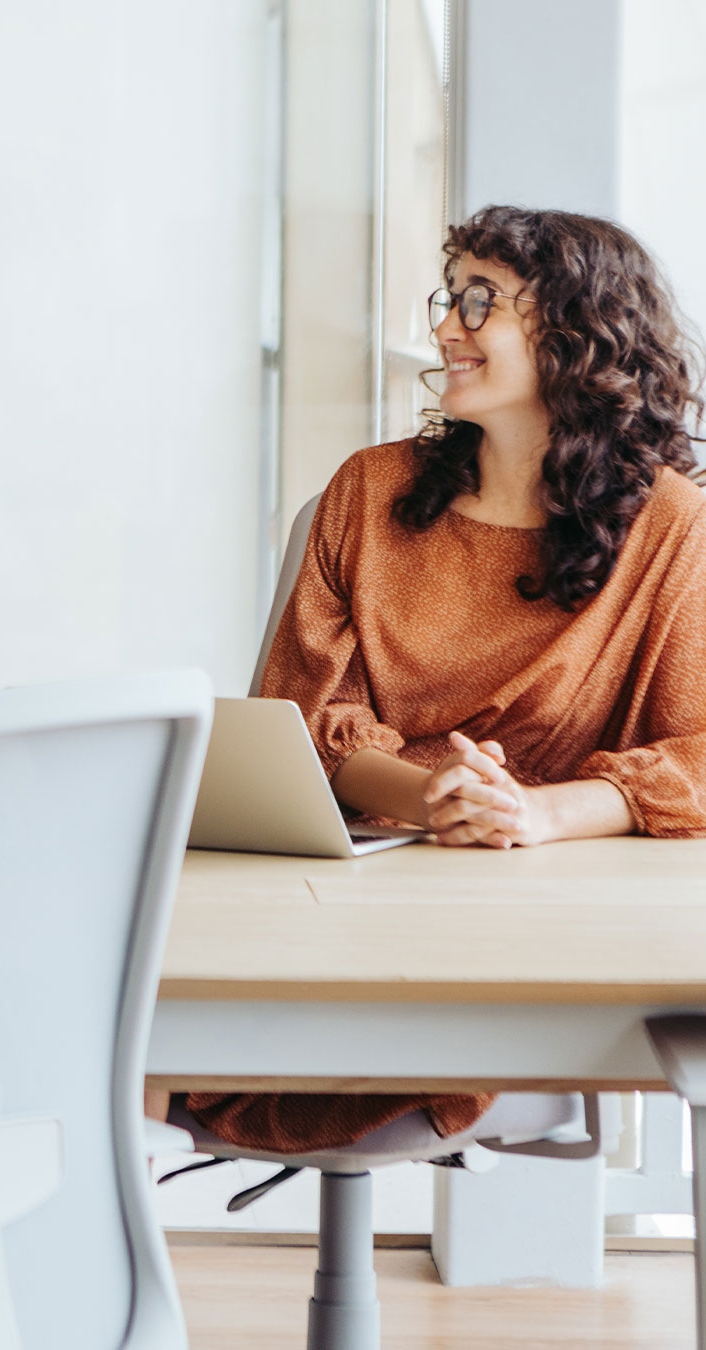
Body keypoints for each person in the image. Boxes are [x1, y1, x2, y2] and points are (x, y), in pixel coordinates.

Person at [186, 205, 706, 1154]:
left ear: (578, 333)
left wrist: (539, 812)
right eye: (448, 296)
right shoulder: (369, 491)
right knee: (146, 1000)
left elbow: (700, 753)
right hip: (345, 888)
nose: (444, 327)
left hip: (531, 911)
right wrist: (434, 798)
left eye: (481, 301)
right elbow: (301, 727)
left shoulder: (671, 529)